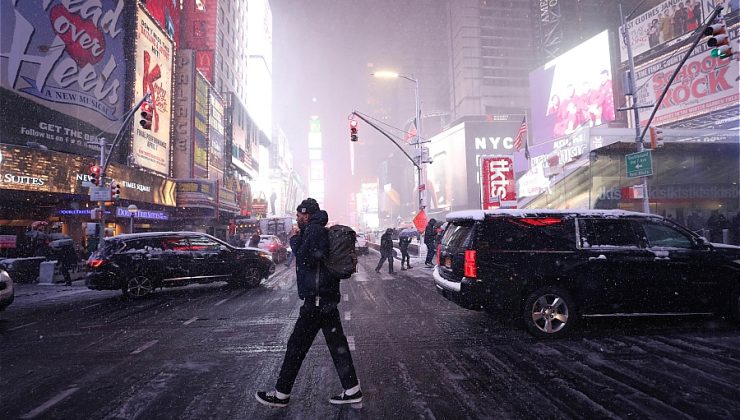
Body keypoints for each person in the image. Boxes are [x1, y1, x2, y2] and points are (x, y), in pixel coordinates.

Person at [256, 198, 361, 407]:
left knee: (296, 346)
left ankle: (281, 394)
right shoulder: (316, 229)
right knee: (336, 345)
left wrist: (294, 239)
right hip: (324, 299)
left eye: (299, 215)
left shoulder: (314, 230)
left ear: (307, 214)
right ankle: (352, 390)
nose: (297, 218)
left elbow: (307, 257)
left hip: (317, 301)